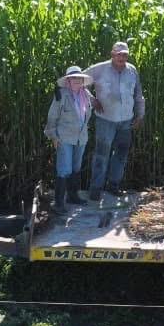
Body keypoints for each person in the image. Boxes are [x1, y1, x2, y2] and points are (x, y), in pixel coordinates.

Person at [83, 41, 145, 203]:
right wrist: (92, 100)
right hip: (106, 120)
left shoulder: (132, 71)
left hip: (126, 121)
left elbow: (138, 94)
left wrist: (139, 115)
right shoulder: (99, 69)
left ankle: (113, 186)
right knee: (101, 155)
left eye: (125, 54)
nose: (122, 57)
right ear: (112, 54)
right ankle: (95, 189)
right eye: (119, 54)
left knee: (121, 155)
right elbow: (79, 82)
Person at [43, 65, 95, 214]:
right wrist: (53, 136)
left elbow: (91, 110)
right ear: (68, 81)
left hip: (81, 137)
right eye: (73, 78)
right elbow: (52, 117)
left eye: (79, 78)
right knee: (64, 169)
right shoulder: (60, 95)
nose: (77, 80)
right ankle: (59, 204)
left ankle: (73, 196)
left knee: (76, 167)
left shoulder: (86, 94)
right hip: (64, 137)